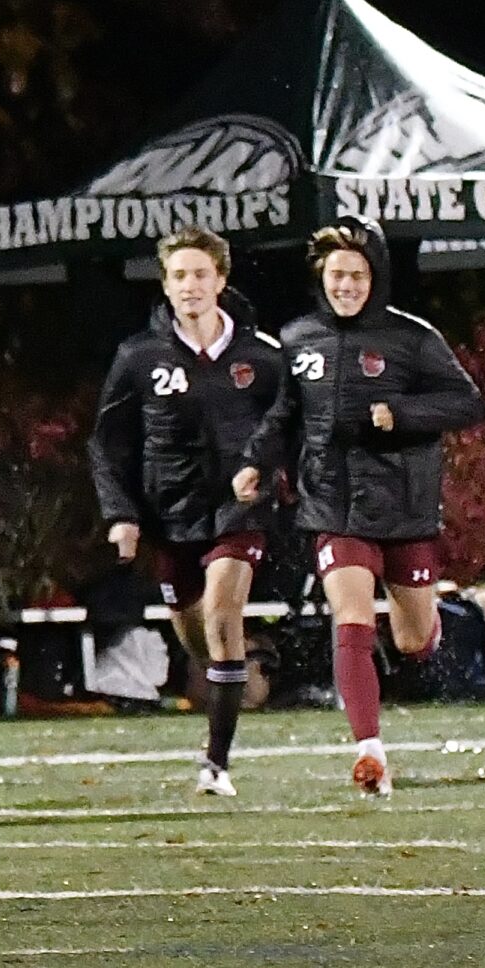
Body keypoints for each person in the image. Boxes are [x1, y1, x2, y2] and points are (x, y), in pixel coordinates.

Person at [235, 220, 484, 799]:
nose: (346, 284)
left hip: (405, 505)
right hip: (331, 505)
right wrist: (258, 462)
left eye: (357, 274)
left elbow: (467, 402)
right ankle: (369, 751)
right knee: (350, 617)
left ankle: (426, 630)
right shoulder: (298, 338)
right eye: (337, 274)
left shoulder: (413, 339)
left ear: (377, 278)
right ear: (322, 277)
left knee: (411, 640)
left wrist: (402, 414)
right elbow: (284, 416)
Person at [89, 226, 283, 797]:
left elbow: (291, 427)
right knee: (202, 648)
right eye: (179, 275)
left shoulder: (263, 357)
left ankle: (215, 766)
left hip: (238, 512)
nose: (190, 286)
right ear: (165, 285)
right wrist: (120, 513)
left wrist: (267, 472)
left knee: (223, 620)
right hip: (170, 516)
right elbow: (107, 442)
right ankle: (237, 674)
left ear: (221, 280)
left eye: (201, 274)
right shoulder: (138, 357)